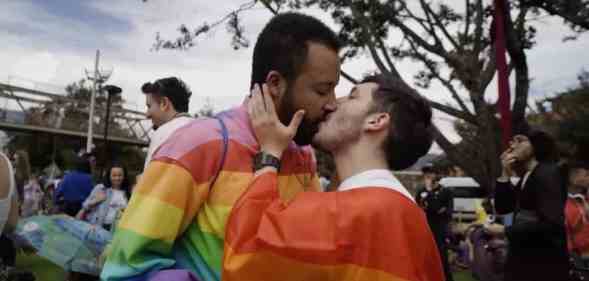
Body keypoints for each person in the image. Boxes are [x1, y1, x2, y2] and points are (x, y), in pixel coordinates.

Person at [101, 12, 340, 281]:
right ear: (275, 83)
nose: (333, 102)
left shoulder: (303, 155)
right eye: (322, 90)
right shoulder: (199, 143)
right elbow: (126, 267)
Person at [222, 75, 444, 281]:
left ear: (376, 121)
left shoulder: (357, 211)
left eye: (352, 96)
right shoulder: (406, 214)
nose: (332, 104)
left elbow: (246, 256)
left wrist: (269, 153)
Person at [486, 127, 569, 281]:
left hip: (541, 265)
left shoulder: (547, 173)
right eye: (512, 141)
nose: (512, 145)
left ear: (536, 145)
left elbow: (552, 223)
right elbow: (504, 208)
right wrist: (505, 173)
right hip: (524, 260)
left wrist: (506, 230)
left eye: (520, 140)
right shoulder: (529, 174)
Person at [141, 77, 193, 170]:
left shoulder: (163, 133)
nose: (147, 114)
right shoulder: (206, 132)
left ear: (164, 103)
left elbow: (150, 181)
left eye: (149, 106)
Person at [415, 164, 455, 281]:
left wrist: (430, 194)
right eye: (426, 173)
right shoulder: (421, 191)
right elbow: (419, 209)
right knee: (424, 258)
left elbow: (444, 211)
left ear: (437, 175)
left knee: (441, 258)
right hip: (424, 228)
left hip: (439, 230)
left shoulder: (446, 192)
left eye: (431, 173)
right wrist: (434, 207)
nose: (428, 176)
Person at [78, 164, 130, 231]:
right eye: (114, 175)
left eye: (120, 175)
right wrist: (95, 201)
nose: (117, 178)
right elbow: (85, 206)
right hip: (97, 228)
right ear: (109, 176)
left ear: (124, 176)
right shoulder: (101, 188)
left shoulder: (127, 192)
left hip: (117, 230)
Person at [564, 161, 589, 258]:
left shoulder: (585, 199)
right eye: (587, 175)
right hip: (581, 259)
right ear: (573, 178)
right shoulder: (564, 205)